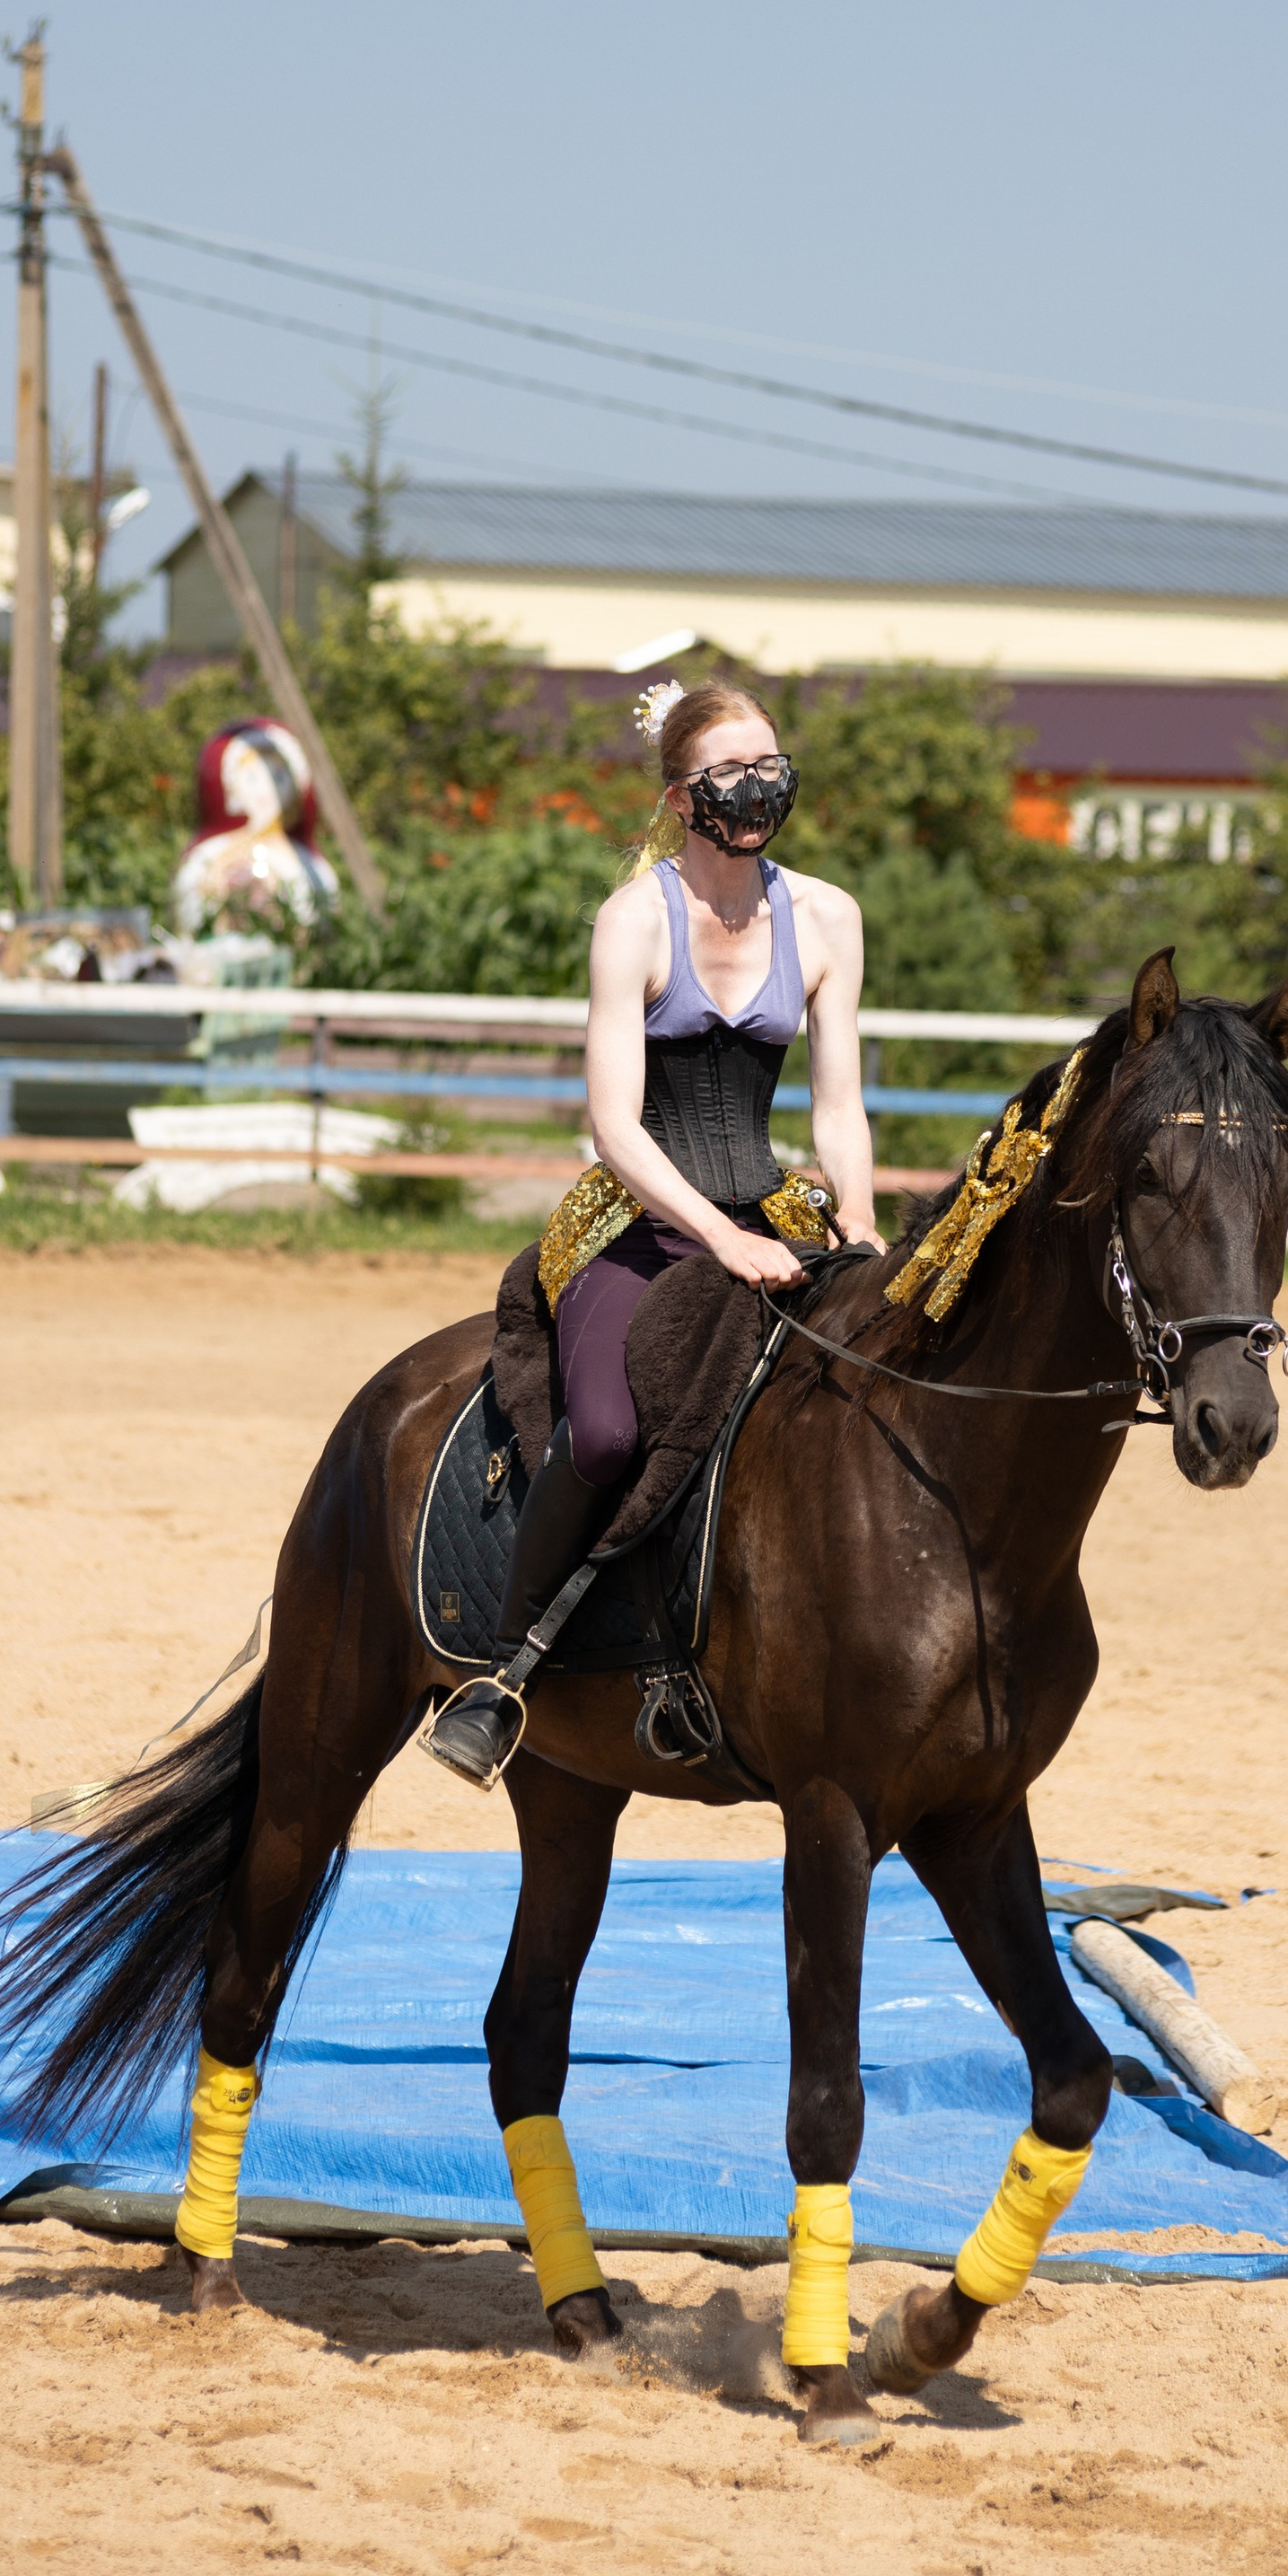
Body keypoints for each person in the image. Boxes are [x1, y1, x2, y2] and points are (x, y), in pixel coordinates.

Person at [426, 680, 879, 1785]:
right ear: (683, 797)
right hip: (634, 1220)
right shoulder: (634, 918)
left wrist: (858, 1228)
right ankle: (504, 1669)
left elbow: (836, 1107)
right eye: (733, 769)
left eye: (771, 762)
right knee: (609, 1432)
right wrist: (720, 1243)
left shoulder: (828, 916)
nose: (760, 785)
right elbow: (614, 1126)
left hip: (773, 1211)